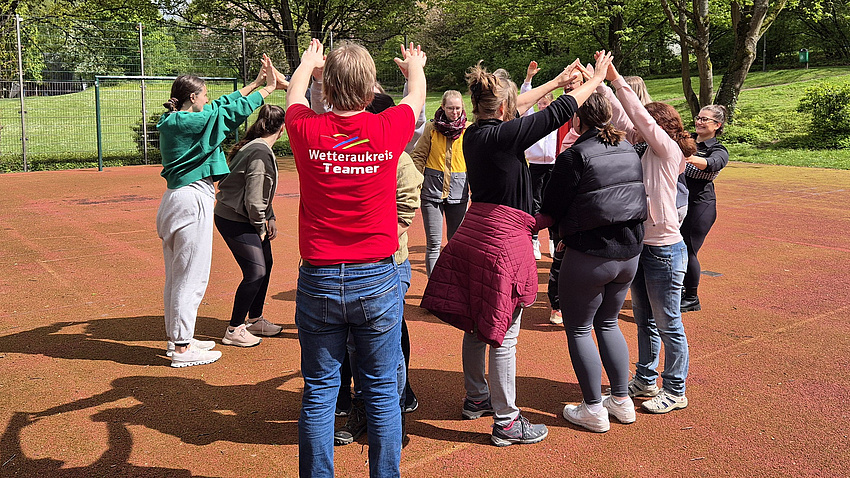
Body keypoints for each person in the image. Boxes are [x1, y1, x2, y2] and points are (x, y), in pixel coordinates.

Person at [420, 52, 614, 447]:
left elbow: (520, 105)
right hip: (502, 241)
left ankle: (477, 398)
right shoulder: (503, 136)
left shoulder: (475, 132)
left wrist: (556, 81)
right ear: (503, 109)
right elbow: (557, 113)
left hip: (475, 232)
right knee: (504, 335)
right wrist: (596, 80)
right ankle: (507, 421)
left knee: (476, 324)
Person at [284, 39, 426, 477]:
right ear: (370, 90)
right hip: (376, 277)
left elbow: (293, 95)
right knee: (382, 391)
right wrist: (414, 66)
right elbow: (416, 96)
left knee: (320, 392)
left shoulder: (306, 130)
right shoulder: (388, 128)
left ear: (326, 89)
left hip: (320, 277)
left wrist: (308, 63)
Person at [157, 55, 280, 367]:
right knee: (192, 278)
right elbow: (227, 113)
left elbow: (220, 106)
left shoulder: (176, 120)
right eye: (205, 95)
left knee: (177, 277)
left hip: (175, 200)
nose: (208, 100)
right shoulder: (193, 122)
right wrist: (267, 90)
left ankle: (178, 340)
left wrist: (254, 84)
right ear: (193, 97)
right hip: (191, 200)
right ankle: (182, 349)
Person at [540, 92, 647, 432]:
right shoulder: (627, 147)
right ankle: (621, 400)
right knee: (609, 322)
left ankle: (593, 408)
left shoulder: (574, 155)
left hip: (589, 253)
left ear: (577, 119)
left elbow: (551, 206)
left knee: (579, 328)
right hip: (629, 252)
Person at [601, 57, 696, 414]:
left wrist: (616, 79)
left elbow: (636, 116)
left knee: (669, 323)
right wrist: (596, 82)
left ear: (657, 127)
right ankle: (645, 378)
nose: (635, 129)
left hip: (665, 250)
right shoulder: (643, 149)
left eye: (645, 125)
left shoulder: (667, 150)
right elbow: (623, 115)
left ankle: (675, 389)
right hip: (642, 246)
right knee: (644, 320)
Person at [213, 104, 286, 348]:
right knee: (256, 272)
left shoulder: (256, 146)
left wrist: (270, 216)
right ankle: (234, 329)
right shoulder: (260, 152)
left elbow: (259, 190)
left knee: (267, 263)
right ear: (282, 129)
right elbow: (254, 198)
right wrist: (260, 225)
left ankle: (254, 320)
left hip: (242, 215)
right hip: (235, 218)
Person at [411, 90, 470, 277]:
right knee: (434, 244)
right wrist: (415, 184)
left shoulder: (468, 130)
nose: (454, 112)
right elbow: (419, 156)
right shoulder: (432, 128)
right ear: (443, 107)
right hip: (432, 193)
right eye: (450, 108)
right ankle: (433, 286)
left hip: (459, 194)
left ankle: (453, 285)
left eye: (457, 108)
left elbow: (476, 161)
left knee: (455, 244)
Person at [680, 105, 729, 312]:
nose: (699, 122)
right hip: (678, 204)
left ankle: (692, 297)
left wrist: (686, 157)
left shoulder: (718, 150)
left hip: (700, 206)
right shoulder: (686, 138)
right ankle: (677, 289)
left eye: (704, 119)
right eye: (698, 117)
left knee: (687, 249)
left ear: (717, 125)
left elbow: (713, 163)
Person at [521, 61, 557, 263]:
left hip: (553, 166)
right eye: (540, 103)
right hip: (535, 166)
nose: (542, 106)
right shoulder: (533, 119)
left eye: (546, 103)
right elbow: (525, 99)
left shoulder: (557, 121)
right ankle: (534, 240)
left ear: (552, 104)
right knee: (534, 203)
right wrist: (529, 79)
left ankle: (553, 239)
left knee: (552, 202)